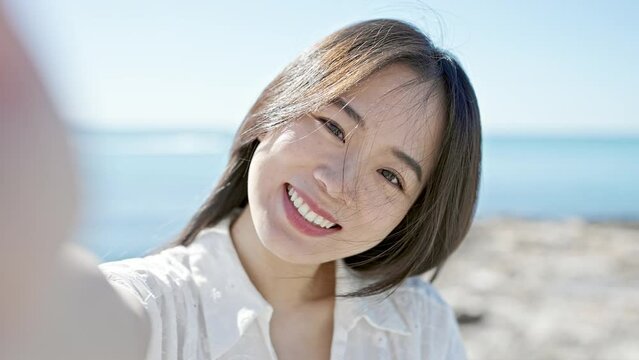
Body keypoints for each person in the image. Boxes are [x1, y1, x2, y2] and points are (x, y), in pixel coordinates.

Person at [2, 12, 480, 360]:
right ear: (275, 110)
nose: (338, 184)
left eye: (390, 176)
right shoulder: (155, 312)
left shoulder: (416, 324)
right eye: (334, 127)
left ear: (412, 213)